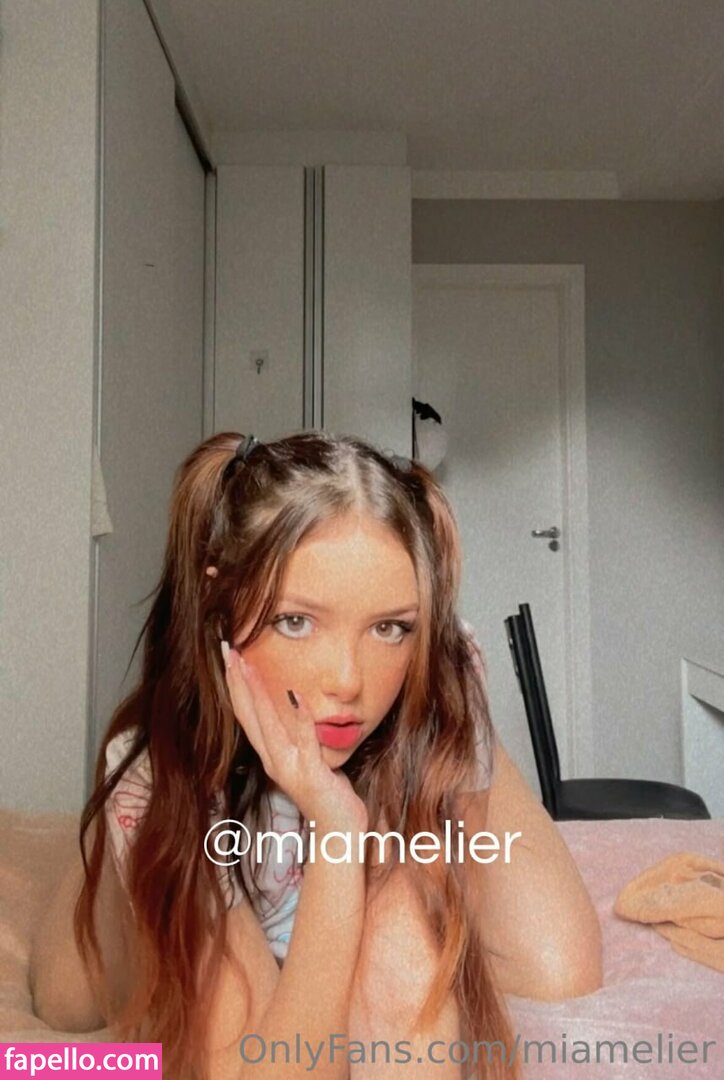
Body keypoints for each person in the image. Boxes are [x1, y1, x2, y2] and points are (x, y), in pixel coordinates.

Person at [29, 430, 602, 1080]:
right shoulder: (169, 777)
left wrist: (441, 687)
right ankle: (111, 835)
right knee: (68, 1005)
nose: (347, 681)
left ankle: (433, 667)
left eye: (390, 627)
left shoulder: (425, 676)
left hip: (379, 783)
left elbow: (528, 959)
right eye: (296, 621)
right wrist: (337, 826)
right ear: (222, 607)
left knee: (554, 966)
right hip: (184, 831)